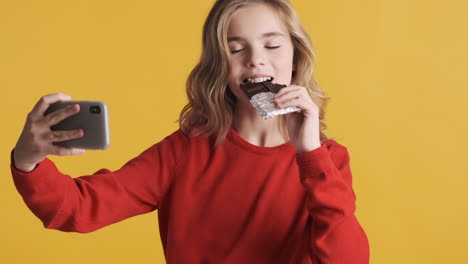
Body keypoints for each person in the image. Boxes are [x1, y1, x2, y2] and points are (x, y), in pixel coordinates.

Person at [11, 0, 370, 263]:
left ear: (296, 58)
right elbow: (78, 209)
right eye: (235, 48)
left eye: (272, 44)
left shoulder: (327, 159)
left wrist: (310, 155)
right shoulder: (184, 151)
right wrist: (28, 160)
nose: (256, 58)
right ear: (219, 65)